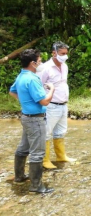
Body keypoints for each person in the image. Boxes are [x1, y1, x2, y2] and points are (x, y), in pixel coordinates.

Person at [9, 49, 55, 193]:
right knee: (37, 152)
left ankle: (19, 176)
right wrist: (52, 89)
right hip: (35, 120)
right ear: (33, 63)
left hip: (26, 117)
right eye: (39, 60)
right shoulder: (33, 79)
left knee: (23, 147)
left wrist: (25, 102)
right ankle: (36, 186)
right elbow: (44, 101)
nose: (41, 62)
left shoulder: (21, 76)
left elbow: (12, 91)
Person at [38, 42, 77, 169]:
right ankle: (45, 160)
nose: (65, 56)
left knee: (60, 132)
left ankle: (61, 156)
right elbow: (38, 86)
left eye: (66, 53)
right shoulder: (45, 68)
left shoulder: (64, 66)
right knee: (47, 133)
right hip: (50, 105)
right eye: (62, 54)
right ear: (53, 53)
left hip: (63, 104)